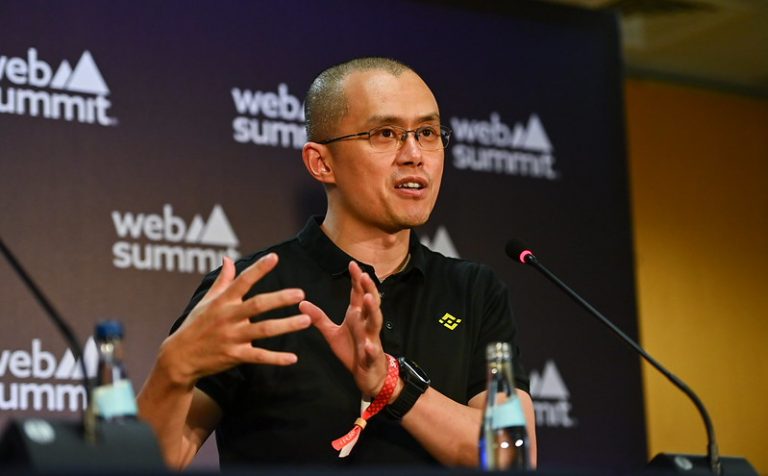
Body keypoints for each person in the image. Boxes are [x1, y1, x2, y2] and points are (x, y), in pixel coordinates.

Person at [137, 57, 537, 469]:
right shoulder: (252, 291)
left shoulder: (473, 291)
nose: (415, 154)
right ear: (322, 163)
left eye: (427, 132)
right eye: (386, 133)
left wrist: (391, 384)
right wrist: (172, 371)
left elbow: (512, 457)